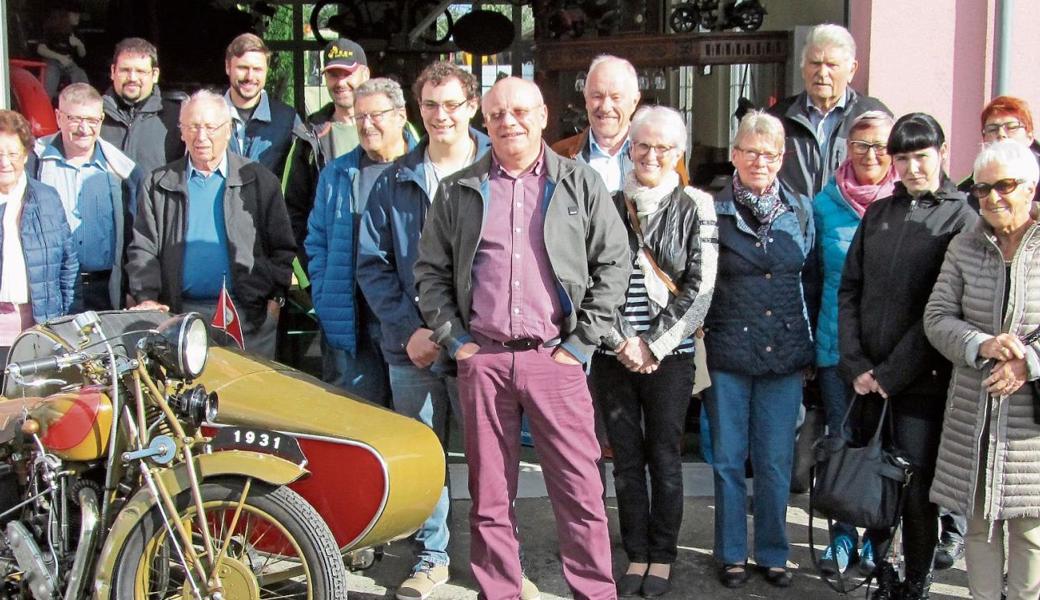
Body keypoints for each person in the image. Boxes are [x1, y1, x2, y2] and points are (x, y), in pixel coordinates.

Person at [414, 77, 629, 599]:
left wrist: (579, 346)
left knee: (580, 493)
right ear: (484, 123)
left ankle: (595, 594)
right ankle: (500, 593)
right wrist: (456, 341)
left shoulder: (579, 184)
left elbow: (614, 265)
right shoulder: (458, 189)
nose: (508, 122)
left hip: (556, 360)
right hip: (483, 359)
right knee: (489, 499)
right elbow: (430, 274)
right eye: (496, 115)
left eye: (518, 112)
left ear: (542, 115)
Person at [357, 62, 543, 600]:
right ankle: (431, 557)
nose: (442, 116)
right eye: (431, 106)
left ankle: (505, 567)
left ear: (471, 107)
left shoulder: (500, 170)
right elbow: (372, 263)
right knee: (425, 456)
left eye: (452, 104)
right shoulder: (394, 179)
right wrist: (410, 329)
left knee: (493, 461)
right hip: (411, 346)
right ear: (420, 111)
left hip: (484, 349)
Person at [838, 113, 978, 600]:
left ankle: (915, 581)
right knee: (874, 485)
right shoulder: (879, 213)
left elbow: (943, 309)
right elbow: (850, 288)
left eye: (921, 155)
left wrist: (892, 374)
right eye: (903, 159)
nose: (913, 167)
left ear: (941, 151)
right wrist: (855, 363)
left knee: (916, 489)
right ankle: (885, 572)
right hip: (868, 377)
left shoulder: (962, 217)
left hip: (922, 381)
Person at [590, 105, 717, 598]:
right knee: (624, 457)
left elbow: (700, 288)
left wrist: (654, 344)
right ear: (629, 148)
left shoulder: (697, 206)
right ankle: (635, 551)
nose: (651, 155)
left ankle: (663, 554)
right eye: (642, 145)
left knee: (664, 455)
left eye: (663, 147)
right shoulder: (608, 203)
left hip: (671, 357)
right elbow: (593, 279)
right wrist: (623, 341)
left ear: (678, 153)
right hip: (613, 354)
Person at [701, 110, 814, 590]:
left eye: (769, 153)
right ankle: (729, 553)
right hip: (728, 350)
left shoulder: (801, 210)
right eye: (750, 151)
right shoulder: (711, 208)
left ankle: (772, 552)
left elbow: (810, 277)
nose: (759, 161)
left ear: (782, 158)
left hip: (784, 354)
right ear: (734, 155)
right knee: (729, 460)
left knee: (774, 461)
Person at [926, 140, 1040, 600]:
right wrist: (983, 344)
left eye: (1005, 186)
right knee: (979, 529)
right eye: (983, 188)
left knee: (1031, 533)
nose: (993, 197)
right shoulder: (964, 246)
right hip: (973, 411)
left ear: (1030, 188)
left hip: (1030, 423)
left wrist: (1027, 363)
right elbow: (936, 318)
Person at [126, 90, 296, 359]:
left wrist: (275, 296)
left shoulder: (259, 180)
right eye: (192, 126)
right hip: (179, 317)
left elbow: (283, 247)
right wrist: (146, 296)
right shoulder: (158, 183)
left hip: (248, 314)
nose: (201, 136)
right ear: (181, 131)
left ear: (227, 130)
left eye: (210, 127)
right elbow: (142, 249)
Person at [812, 110, 896, 575]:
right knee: (841, 443)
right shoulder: (824, 204)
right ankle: (841, 538)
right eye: (861, 143)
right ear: (846, 148)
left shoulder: (905, 203)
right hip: (835, 348)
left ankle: (879, 541)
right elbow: (812, 277)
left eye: (881, 144)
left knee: (883, 447)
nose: (871, 153)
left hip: (889, 354)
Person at [305, 78, 417, 406]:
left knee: (412, 430)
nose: (367, 125)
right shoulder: (338, 174)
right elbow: (317, 240)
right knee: (358, 423)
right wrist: (325, 294)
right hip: (353, 325)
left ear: (401, 115)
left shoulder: (424, 168)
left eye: (376, 115)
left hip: (412, 325)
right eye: (359, 117)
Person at [32, 83, 141, 312]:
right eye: (75, 119)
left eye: (92, 120)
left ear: (101, 120)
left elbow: (136, 239)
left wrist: (134, 289)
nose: (84, 128)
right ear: (58, 117)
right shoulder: (33, 164)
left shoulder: (122, 171)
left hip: (104, 290)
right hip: (51, 288)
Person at [768, 23, 891, 199]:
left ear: (852, 70)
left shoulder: (873, 118)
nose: (822, 73)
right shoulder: (778, 118)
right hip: (792, 223)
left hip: (852, 222)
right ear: (803, 68)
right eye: (815, 63)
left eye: (832, 65)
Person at [0, 110, 76, 360]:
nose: (4, 162)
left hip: (40, 328)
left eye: (12, 154)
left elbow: (68, 263)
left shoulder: (47, 199)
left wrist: (62, 319)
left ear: (25, 154)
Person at [552, 55, 690, 191]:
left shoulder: (663, 157)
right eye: (597, 96)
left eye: (616, 97)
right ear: (586, 99)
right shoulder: (560, 155)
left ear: (634, 101)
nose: (605, 107)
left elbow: (680, 207)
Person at [284, 38, 370, 253]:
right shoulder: (308, 138)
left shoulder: (398, 129)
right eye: (333, 75)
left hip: (385, 271)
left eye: (347, 74)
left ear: (365, 74)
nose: (340, 83)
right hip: (331, 270)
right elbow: (291, 212)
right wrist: (311, 275)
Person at [100, 37, 185, 177]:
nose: (132, 78)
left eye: (140, 71)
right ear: (113, 71)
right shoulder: (93, 116)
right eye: (125, 70)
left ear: (155, 74)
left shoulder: (176, 118)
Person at [223, 33, 303, 176]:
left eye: (257, 69)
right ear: (228, 67)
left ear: (266, 71)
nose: (250, 77)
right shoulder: (207, 116)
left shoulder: (288, 120)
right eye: (242, 68)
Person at [959, 95, 1040, 207]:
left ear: (1029, 136)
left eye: (1011, 127)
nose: (1001, 134)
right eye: (992, 129)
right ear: (984, 139)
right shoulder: (966, 194)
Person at [36, 4, 88, 100]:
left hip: (69, 63)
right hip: (52, 62)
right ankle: (44, 104)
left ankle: (84, 104)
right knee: (51, 76)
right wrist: (60, 57)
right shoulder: (52, 29)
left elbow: (82, 54)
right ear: (66, 15)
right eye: (75, 14)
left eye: (79, 14)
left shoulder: (75, 32)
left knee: (81, 74)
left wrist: (79, 44)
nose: (78, 17)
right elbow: (41, 49)